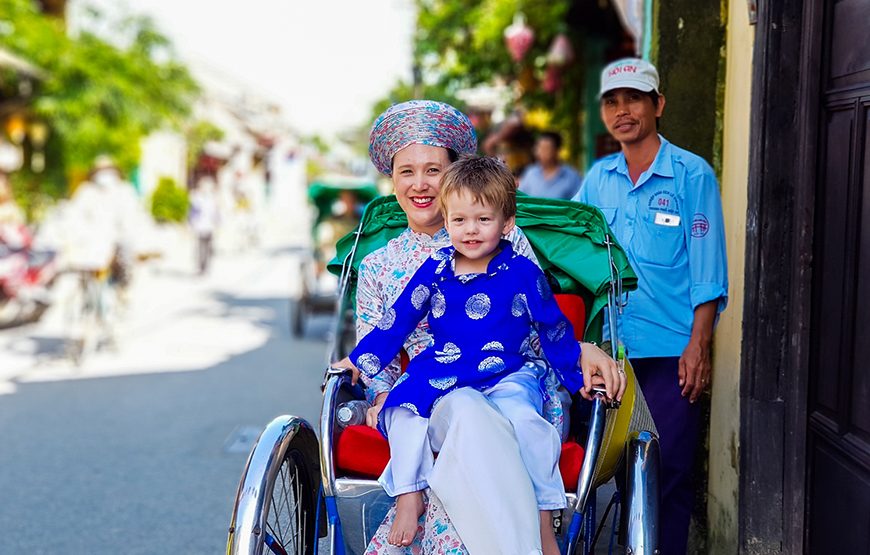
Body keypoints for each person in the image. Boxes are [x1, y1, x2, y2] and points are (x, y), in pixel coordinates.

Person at [354, 100, 625, 555]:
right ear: (392, 180)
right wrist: (380, 391)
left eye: (433, 170)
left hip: (508, 379)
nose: (419, 184)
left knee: (482, 413)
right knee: (462, 409)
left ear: (454, 177)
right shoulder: (380, 264)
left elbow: (539, 323)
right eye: (406, 172)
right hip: (432, 390)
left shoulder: (504, 241)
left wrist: (584, 349)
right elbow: (378, 339)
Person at [573, 58, 728, 555]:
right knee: (607, 470)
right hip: (610, 352)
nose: (623, 110)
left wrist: (698, 346)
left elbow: (708, 271)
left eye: (634, 99)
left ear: (657, 105)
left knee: (668, 471)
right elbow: (569, 245)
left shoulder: (691, 175)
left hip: (669, 352)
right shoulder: (598, 179)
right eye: (613, 102)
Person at [518, 131, 584, 200]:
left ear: (557, 150)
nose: (541, 152)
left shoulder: (572, 177)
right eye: (539, 148)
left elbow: (579, 204)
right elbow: (521, 199)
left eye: (546, 148)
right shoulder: (530, 173)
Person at [188, 177, 220, 275]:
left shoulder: (213, 199)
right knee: (200, 247)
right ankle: (200, 267)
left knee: (208, 248)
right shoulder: (196, 198)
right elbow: (192, 212)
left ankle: (206, 267)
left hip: (210, 227)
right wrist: (191, 223)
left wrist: (218, 224)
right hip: (200, 226)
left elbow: (216, 214)